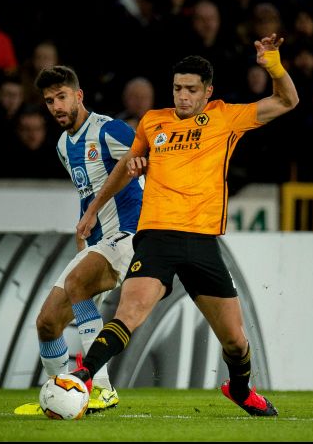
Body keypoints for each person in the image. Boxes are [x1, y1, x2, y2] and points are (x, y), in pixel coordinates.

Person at [71, 33, 299, 417]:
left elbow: (287, 100)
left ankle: (241, 390)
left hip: (202, 241)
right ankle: (81, 378)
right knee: (129, 312)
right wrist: (96, 205)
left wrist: (273, 65)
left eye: (192, 89)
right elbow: (128, 168)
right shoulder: (152, 121)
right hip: (156, 235)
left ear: (208, 92)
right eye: (178, 88)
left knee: (236, 341)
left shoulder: (226, 117)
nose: (183, 96)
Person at [13, 65, 143, 416]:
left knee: (76, 284)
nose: (56, 106)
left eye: (62, 97)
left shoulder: (109, 130)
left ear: (79, 95)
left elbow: (147, 161)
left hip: (130, 233)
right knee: (47, 322)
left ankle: (102, 389)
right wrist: (85, 229)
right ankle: (56, 395)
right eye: (49, 100)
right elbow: (89, 191)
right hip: (100, 241)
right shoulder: (61, 145)